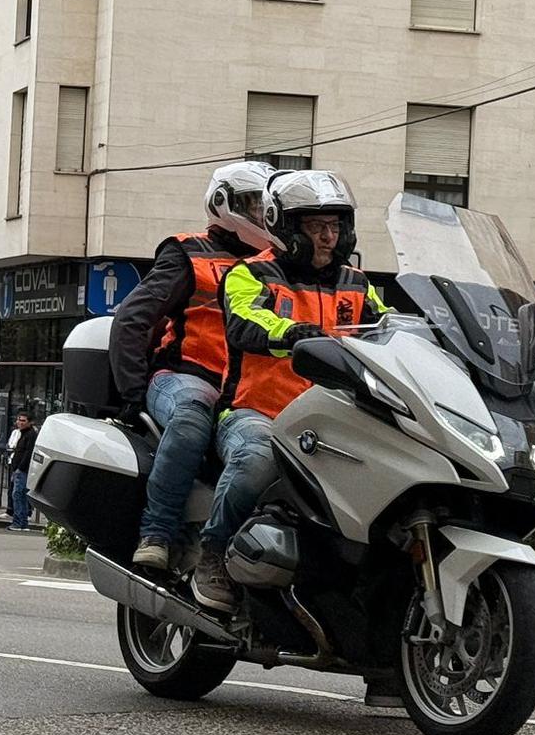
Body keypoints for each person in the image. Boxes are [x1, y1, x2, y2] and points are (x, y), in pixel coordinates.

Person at [191, 169, 385, 615]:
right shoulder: (250, 274)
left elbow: (388, 327)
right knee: (257, 457)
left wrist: (430, 337)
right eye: (316, 227)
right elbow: (245, 321)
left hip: (334, 419)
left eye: (335, 226)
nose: (329, 237)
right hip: (258, 413)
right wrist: (293, 332)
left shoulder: (356, 284)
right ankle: (214, 552)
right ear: (286, 228)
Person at [109, 161, 277, 572]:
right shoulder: (190, 253)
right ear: (223, 203)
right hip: (187, 375)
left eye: (266, 205)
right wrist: (133, 393)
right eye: (253, 204)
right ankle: (157, 532)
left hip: (245, 393)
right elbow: (132, 319)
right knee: (192, 416)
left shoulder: (279, 265)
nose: (261, 214)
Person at [6, 410, 39, 531]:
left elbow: (28, 453)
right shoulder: (23, 433)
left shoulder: (30, 435)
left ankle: (18, 522)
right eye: (19, 420)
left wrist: (20, 468)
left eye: (23, 421)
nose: (20, 422)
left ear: (30, 422)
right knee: (21, 495)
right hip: (18, 468)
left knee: (18, 494)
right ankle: (22, 522)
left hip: (22, 470)